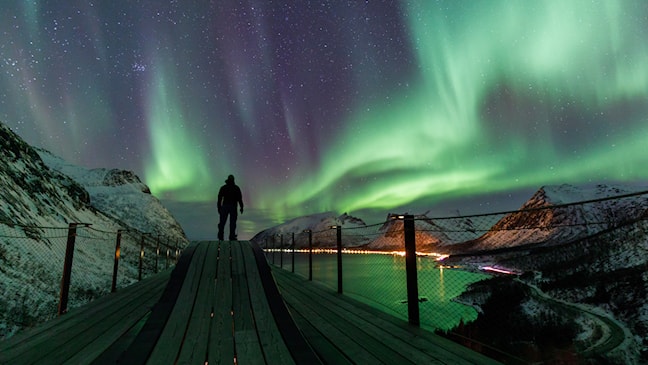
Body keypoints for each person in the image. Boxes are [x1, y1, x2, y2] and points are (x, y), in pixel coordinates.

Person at [217, 174, 244, 240]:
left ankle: (221, 235)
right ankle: (231, 236)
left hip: (225, 206)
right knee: (232, 223)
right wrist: (241, 207)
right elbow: (239, 198)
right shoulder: (236, 188)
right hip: (233, 206)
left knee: (223, 222)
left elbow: (219, 198)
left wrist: (219, 207)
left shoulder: (223, 188)